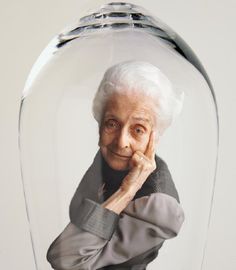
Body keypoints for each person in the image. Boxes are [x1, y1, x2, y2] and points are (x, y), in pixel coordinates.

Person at [47, 60, 185, 270]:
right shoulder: (107, 159)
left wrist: (127, 191)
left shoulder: (158, 206)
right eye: (112, 124)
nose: (121, 142)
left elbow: (65, 259)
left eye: (138, 129)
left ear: (155, 137)